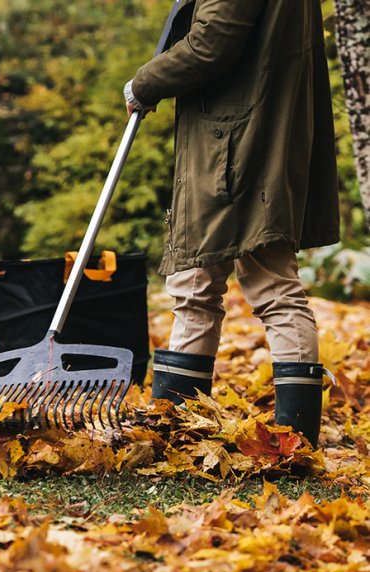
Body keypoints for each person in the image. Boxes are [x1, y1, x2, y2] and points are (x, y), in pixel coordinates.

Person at [124, 0, 340, 447]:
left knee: (268, 283)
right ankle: (180, 428)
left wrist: (144, 83)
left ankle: (291, 441)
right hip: (246, 133)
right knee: (198, 281)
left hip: (238, 140)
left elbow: (211, 43)